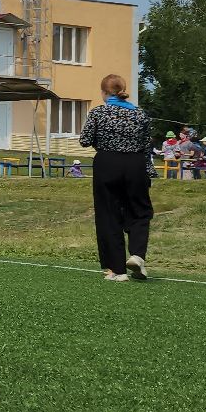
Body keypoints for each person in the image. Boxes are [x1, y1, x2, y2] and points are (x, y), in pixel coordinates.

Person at [80, 73, 154, 282]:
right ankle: (138, 255)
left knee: (108, 214)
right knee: (140, 212)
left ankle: (117, 269)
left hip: (107, 163)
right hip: (135, 163)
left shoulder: (98, 113)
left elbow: (85, 140)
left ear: (104, 92)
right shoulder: (140, 114)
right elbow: (147, 144)